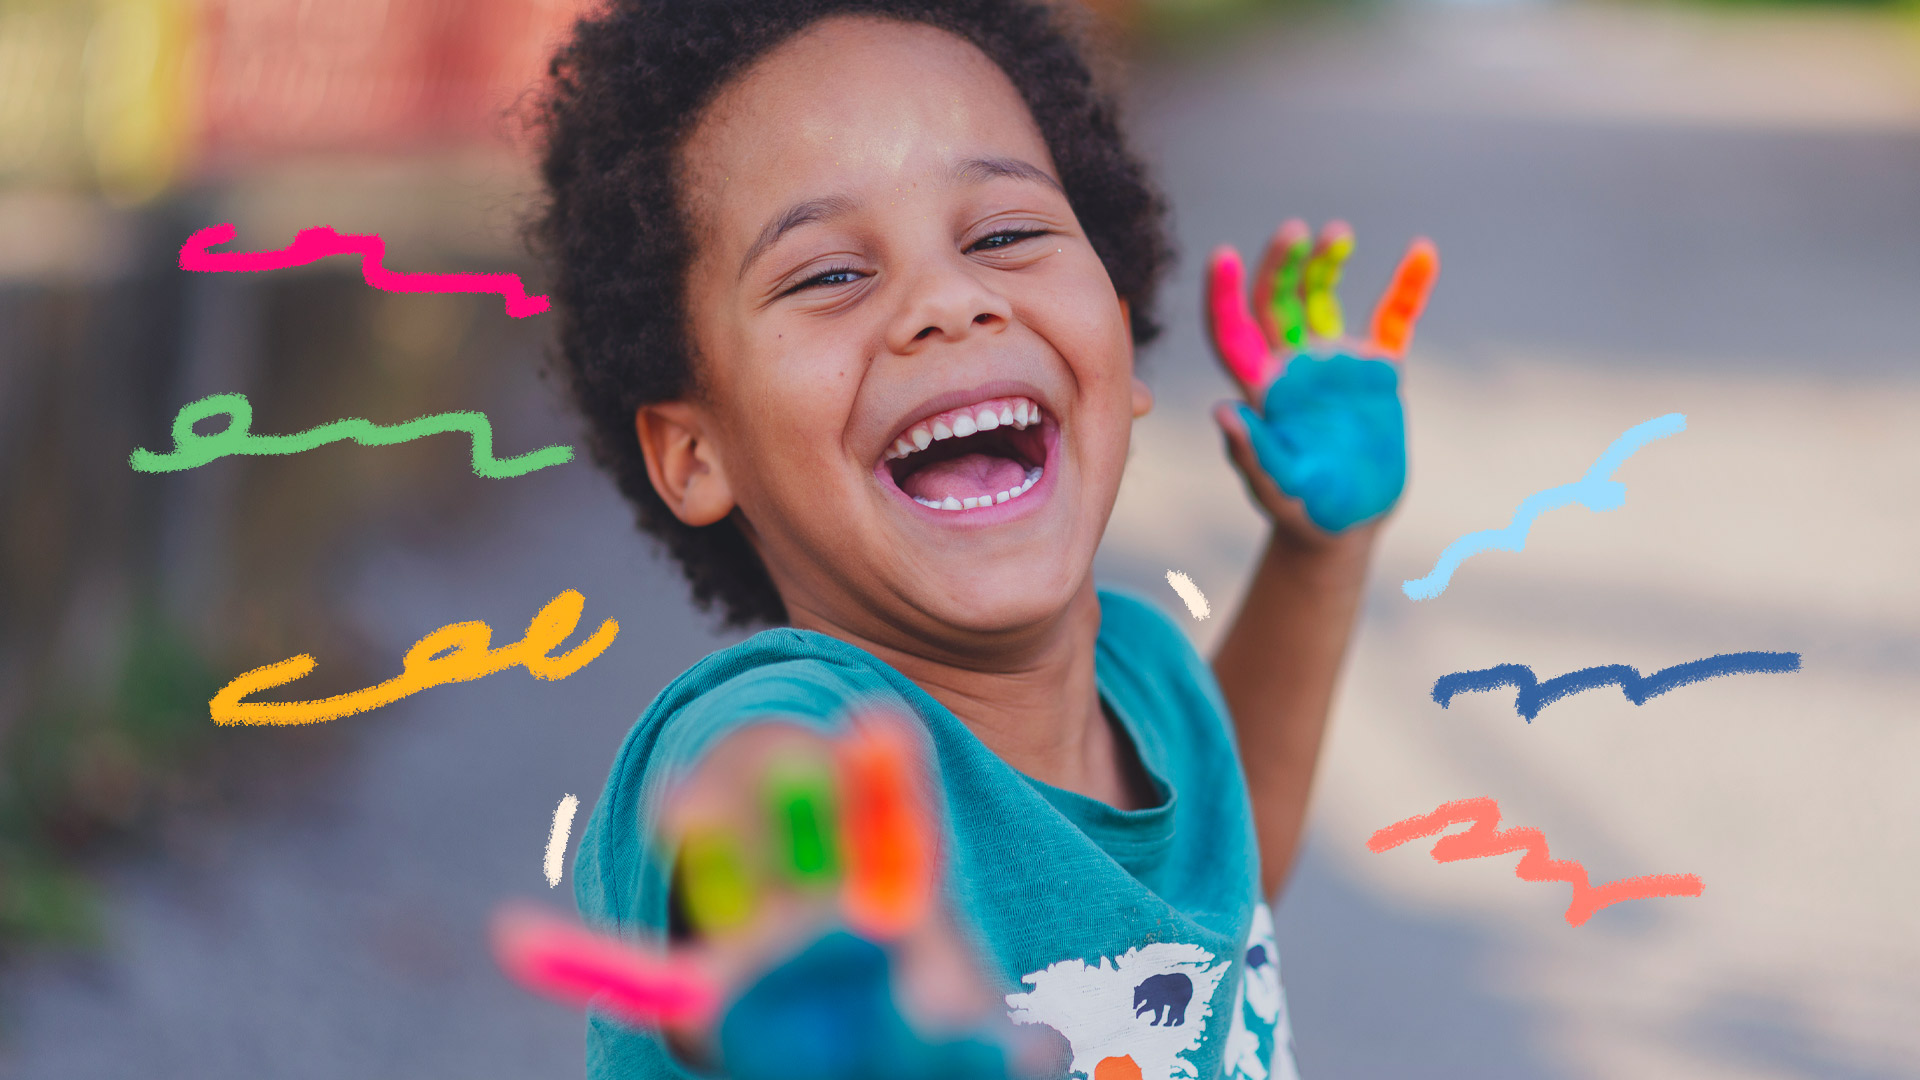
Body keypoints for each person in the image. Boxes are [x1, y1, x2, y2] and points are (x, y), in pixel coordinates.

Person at [532, 2, 1433, 1077]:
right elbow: (758, 798)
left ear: (1121, 328)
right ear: (693, 452)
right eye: (830, 274)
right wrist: (820, 965)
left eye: (1003, 235)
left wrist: (1321, 553)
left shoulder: (1144, 673)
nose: (950, 300)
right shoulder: (784, 720)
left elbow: (1233, 867)